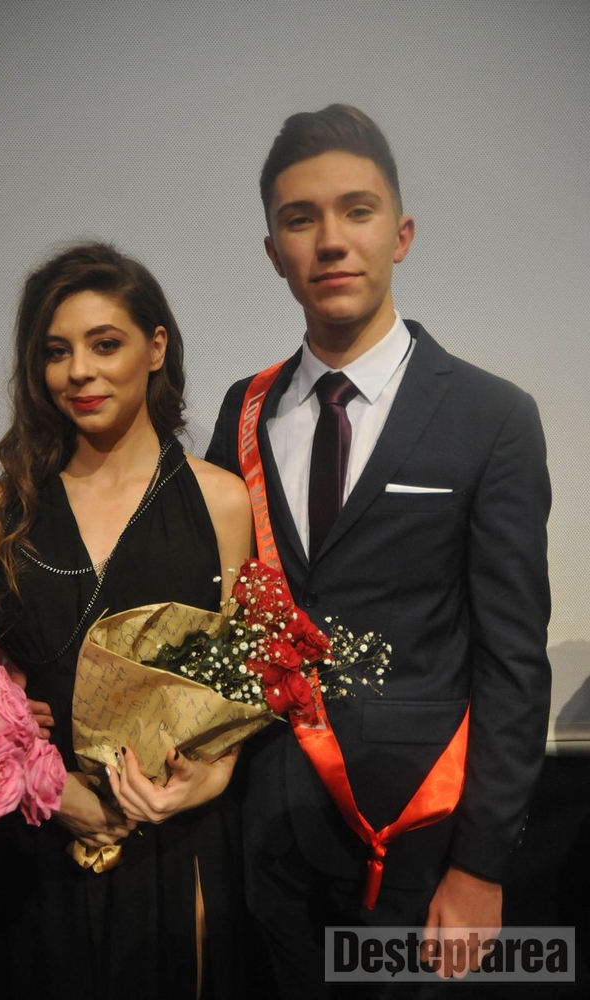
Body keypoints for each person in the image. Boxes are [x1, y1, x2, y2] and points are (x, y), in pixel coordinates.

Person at [206, 104, 552, 997]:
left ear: (400, 235)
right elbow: (222, 616)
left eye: (356, 211)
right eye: (300, 219)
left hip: (416, 851)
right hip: (262, 835)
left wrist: (481, 865)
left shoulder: (491, 417)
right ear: (273, 251)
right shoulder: (243, 411)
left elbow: (514, 660)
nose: (330, 241)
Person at [0, 240, 253, 1000]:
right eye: (57, 352)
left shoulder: (221, 501)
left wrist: (204, 783)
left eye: (104, 344)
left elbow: (244, 686)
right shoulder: (11, 506)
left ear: (156, 348)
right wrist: (45, 783)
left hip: (174, 840)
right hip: (35, 844)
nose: (79, 372)